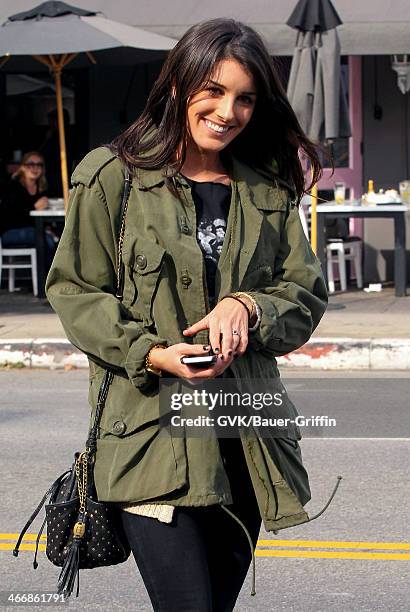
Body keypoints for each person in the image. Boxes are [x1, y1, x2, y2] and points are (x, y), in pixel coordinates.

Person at [46, 18, 328, 612]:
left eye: (245, 97)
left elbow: (304, 293)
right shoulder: (112, 178)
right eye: (215, 90)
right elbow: (75, 290)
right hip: (153, 439)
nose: (229, 111)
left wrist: (248, 305)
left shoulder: (266, 190)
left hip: (245, 441)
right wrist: (151, 352)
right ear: (179, 85)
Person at [0, 151, 56, 256]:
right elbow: (10, 215)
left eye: (39, 165)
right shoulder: (14, 186)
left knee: (57, 238)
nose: (35, 168)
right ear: (23, 167)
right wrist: (34, 207)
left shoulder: (41, 189)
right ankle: (44, 272)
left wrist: (48, 228)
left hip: (33, 230)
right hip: (10, 232)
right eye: (31, 164)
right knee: (46, 240)